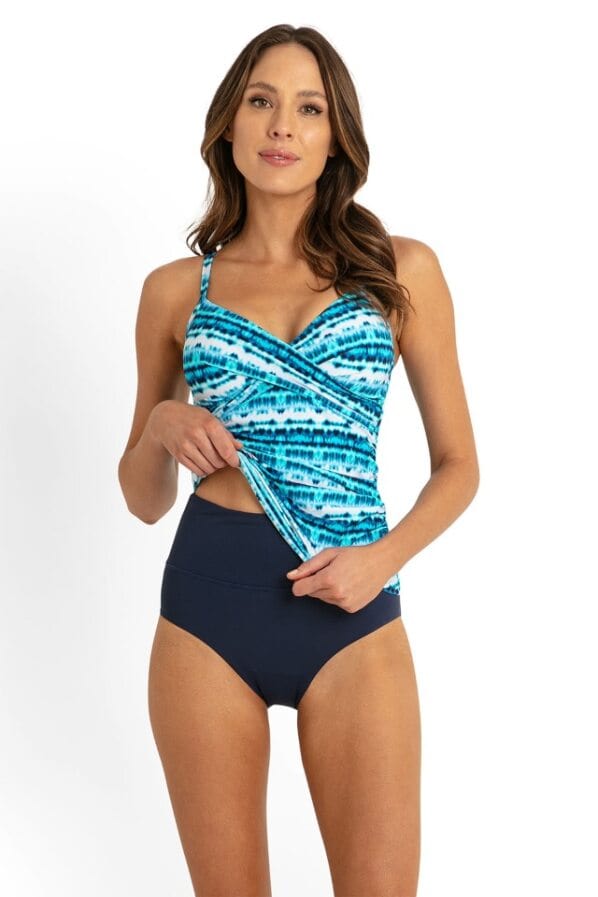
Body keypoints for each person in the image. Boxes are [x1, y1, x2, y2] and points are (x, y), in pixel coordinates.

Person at [118, 23, 479, 897]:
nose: (283, 125)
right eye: (262, 101)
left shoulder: (401, 271)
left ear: (336, 135)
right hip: (207, 610)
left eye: (309, 108)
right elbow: (142, 497)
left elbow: (459, 464)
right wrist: (163, 423)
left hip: (352, 609)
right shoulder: (177, 290)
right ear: (230, 125)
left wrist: (381, 561)